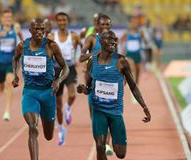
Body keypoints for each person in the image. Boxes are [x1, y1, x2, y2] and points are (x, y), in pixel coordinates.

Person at [77, 31, 151, 160]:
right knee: (100, 146)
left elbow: (133, 86)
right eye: (109, 39)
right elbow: (89, 88)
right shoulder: (92, 62)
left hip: (115, 112)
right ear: (101, 42)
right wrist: (83, 89)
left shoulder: (121, 61)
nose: (113, 42)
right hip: (98, 110)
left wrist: (144, 107)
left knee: (121, 154)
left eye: (114, 39)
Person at [12, 18, 69, 160]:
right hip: (30, 92)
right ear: (30, 30)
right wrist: (15, 75)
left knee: (48, 135)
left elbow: (65, 67)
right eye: (36, 29)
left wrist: (58, 80)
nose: (39, 32)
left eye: (42, 29)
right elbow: (15, 59)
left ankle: (51, 121)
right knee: (33, 127)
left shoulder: (51, 46)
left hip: (48, 93)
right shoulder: (22, 46)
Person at [79, 14, 114, 156]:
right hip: (93, 82)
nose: (105, 28)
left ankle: (107, 144)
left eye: (107, 25)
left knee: (110, 113)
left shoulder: (113, 39)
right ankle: (101, 141)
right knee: (95, 117)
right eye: (102, 25)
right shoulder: (92, 39)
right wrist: (96, 53)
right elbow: (81, 57)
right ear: (97, 26)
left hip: (110, 82)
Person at [48, 12, 83, 146]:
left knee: (73, 94)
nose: (62, 22)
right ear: (57, 22)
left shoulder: (73, 36)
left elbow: (83, 46)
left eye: (64, 20)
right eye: (60, 20)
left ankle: (68, 107)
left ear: (67, 21)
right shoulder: (52, 36)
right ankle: (61, 129)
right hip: (56, 70)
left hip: (69, 68)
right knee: (57, 104)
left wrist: (80, 57)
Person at [0, 9, 24, 121]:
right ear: (2, 19)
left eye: (10, 17)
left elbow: (23, 43)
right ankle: (6, 91)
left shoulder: (15, 27)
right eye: (6, 17)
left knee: (9, 82)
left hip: (11, 62)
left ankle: (7, 111)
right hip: (0, 63)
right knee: (1, 88)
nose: (8, 19)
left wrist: (20, 34)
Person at [120, 18, 148, 85]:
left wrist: (144, 37)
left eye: (134, 23)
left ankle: (136, 84)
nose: (133, 24)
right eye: (132, 23)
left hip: (137, 53)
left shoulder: (140, 32)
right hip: (129, 53)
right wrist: (123, 49)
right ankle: (130, 81)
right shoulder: (126, 33)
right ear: (129, 24)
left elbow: (146, 42)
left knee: (138, 71)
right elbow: (121, 40)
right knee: (133, 68)